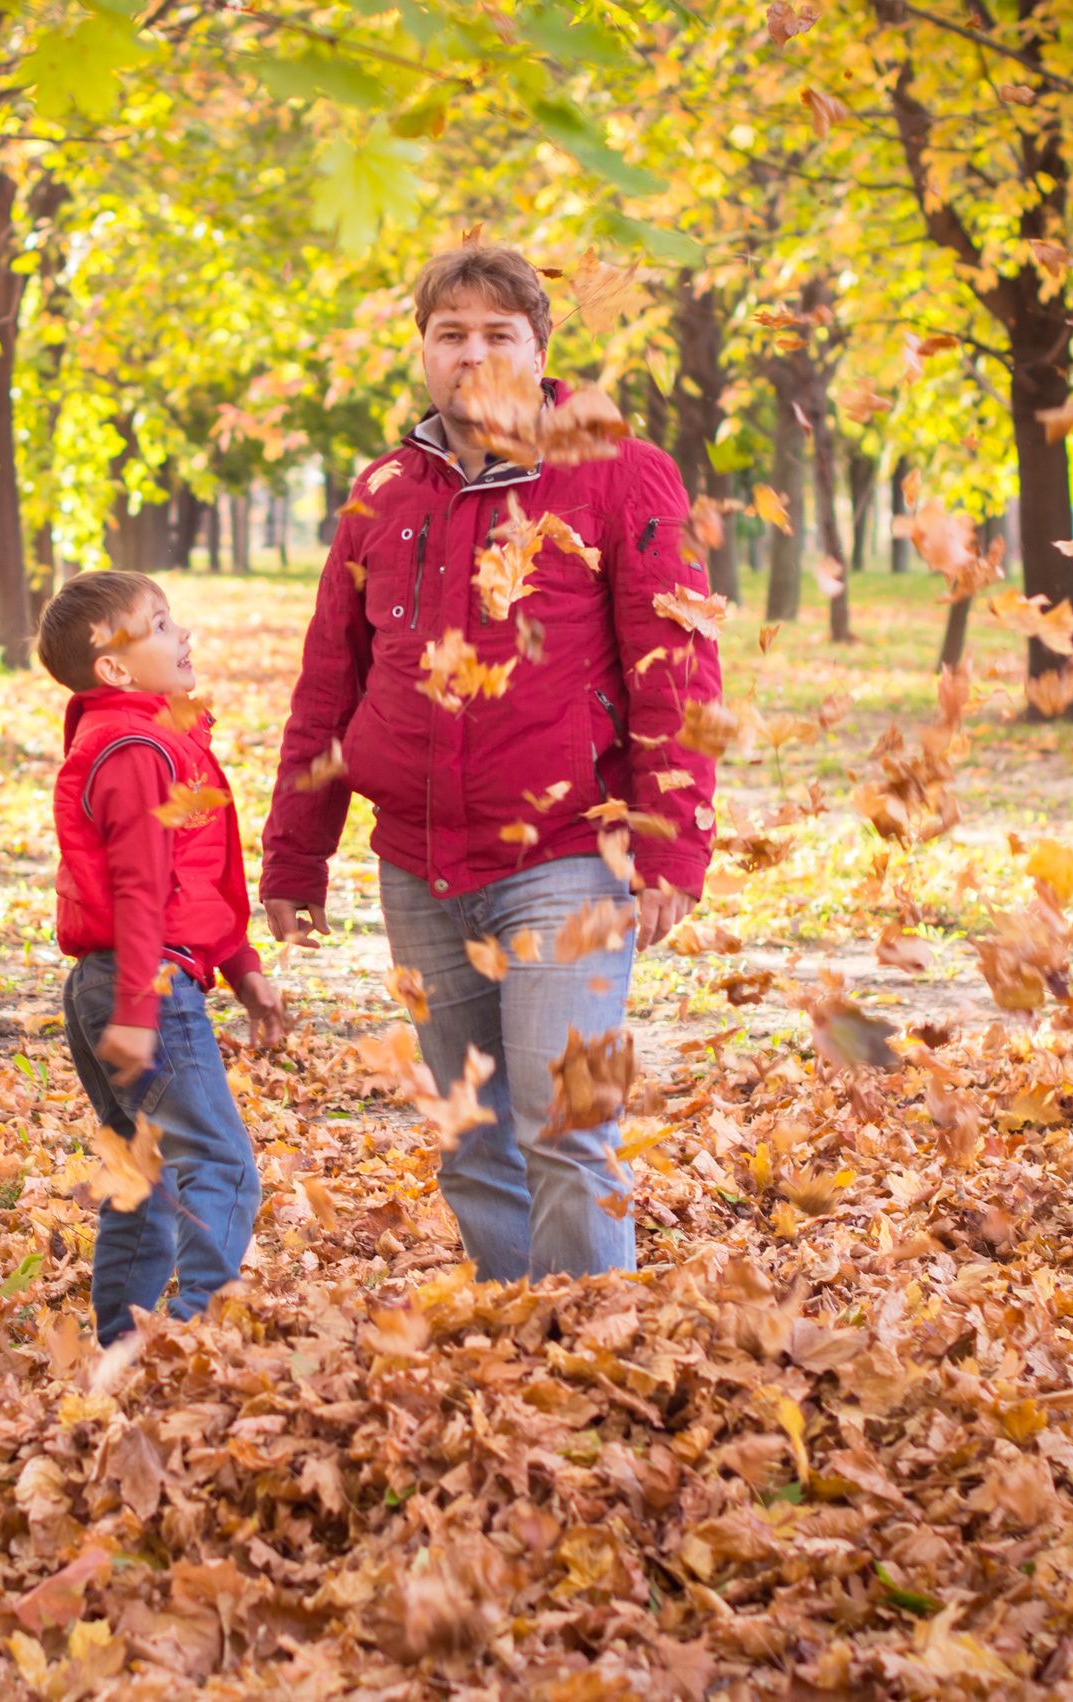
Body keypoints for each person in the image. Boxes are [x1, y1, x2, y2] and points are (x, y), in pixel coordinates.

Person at [260, 242, 721, 1283]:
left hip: (569, 856)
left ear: (539, 347)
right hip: (416, 868)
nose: (472, 354)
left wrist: (671, 852)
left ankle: (592, 1351)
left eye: (497, 334)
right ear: (421, 350)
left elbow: (675, 668)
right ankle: (516, 1352)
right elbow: (329, 680)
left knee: (566, 1123)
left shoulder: (618, 472)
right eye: (449, 333)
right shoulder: (381, 491)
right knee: (472, 1141)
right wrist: (294, 857)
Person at [39, 570, 287, 1343]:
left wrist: (243, 967)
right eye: (160, 624)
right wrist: (143, 1010)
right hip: (140, 983)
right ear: (114, 667)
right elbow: (142, 887)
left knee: (142, 1174)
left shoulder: (148, 737)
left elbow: (190, 880)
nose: (184, 636)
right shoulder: (135, 749)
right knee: (223, 1169)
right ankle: (187, 1338)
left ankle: (125, 1346)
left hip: (118, 978)